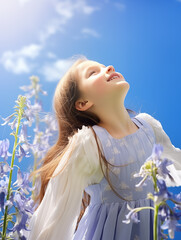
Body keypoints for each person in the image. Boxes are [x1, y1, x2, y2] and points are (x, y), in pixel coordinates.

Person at [27, 56, 181, 240]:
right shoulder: (89, 143)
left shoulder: (149, 126)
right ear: (83, 103)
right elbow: (56, 212)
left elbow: (175, 160)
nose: (108, 67)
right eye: (93, 72)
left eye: (104, 66)